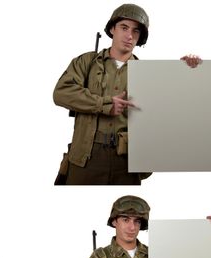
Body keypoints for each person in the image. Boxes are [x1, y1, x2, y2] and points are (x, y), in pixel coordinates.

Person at [53, 4, 202, 185]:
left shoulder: (149, 73)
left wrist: (185, 71)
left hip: (127, 160)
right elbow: (61, 92)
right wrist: (104, 104)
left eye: (136, 31)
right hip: (85, 158)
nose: (129, 35)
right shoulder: (87, 62)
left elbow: (174, 106)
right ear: (112, 29)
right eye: (124, 27)